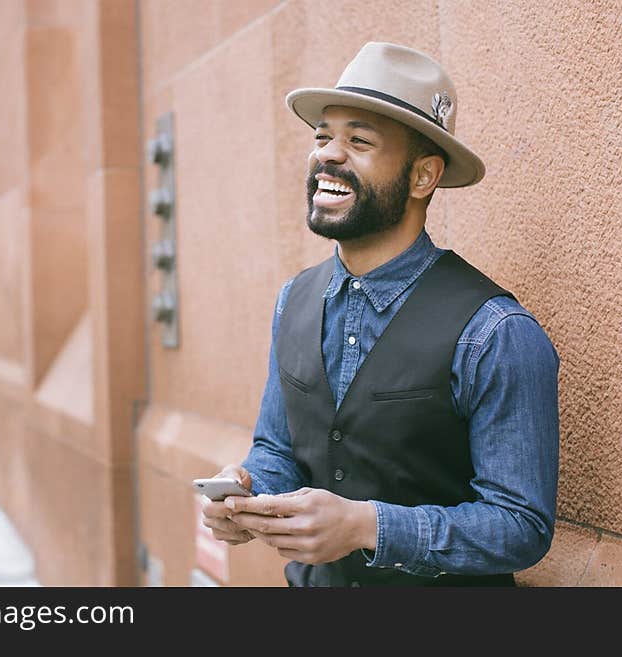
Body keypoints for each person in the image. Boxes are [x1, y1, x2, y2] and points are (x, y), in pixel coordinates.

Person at [200, 42, 560, 587]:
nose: (328, 154)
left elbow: (521, 527)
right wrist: (248, 492)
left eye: (359, 141)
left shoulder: (494, 332)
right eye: (322, 137)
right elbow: (278, 449)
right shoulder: (292, 301)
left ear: (423, 177)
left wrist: (367, 526)